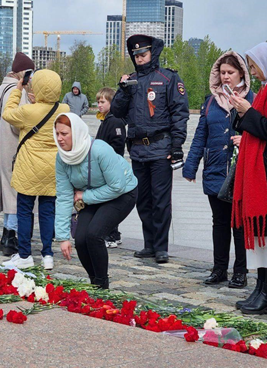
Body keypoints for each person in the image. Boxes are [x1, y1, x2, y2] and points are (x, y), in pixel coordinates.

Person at [111, 34, 189, 264]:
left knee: (161, 201)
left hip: (161, 147)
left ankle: (161, 246)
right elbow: (116, 113)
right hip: (137, 150)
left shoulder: (168, 78)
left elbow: (180, 113)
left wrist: (177, 146)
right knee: (142, 200)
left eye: (143, 54)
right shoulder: (131, 81)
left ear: (152, 53)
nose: (140, 58)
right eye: (136, 55)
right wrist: (123, 90)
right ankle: (149, 244)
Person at [183, 51, 253, 288]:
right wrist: (190, 166)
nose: (225, 77)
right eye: (222, 72)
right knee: (219, 222)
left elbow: (263, 131)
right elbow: (200, 135)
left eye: (230, 73)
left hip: (240, 171)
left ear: (241, 73)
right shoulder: (211, 101)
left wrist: (245, 139)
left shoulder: (252, 99)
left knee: (239, 224)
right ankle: (219, 269)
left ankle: (240, 272)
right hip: (214, 170)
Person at [230, 42, 267, 315]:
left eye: (253, 65)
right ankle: (262, 289)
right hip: (265, 172)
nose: (252, 71)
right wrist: (244, 112)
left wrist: (246, 112)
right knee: (265, 237)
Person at [54, 113, 137, 288]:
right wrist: (62, 237)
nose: (60, 139)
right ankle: (95, 283)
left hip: (122, 193)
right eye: (57, 134)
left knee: (94, 234)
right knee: (81, 239)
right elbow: (63, 197)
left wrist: (85, 196)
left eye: (64, 134)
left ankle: (101, 285)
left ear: (75, 133)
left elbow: (117, 186)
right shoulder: (61, 158)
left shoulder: (99, 149)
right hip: (92, 195)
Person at [2, 69, 70, 270]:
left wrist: (18, 89)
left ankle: (24, 255)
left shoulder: (29, 111)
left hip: (29, 168)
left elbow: (8, 113)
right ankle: (47, 254)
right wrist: (39, 102)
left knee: (24, 211)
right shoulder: (64, 109)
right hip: (52, 169)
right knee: (48, 211)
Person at [0, 52, 35, 256]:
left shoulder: (2, 88)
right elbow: (19, 121)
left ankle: (6, 236)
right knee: (18, 193)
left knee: (9, 192)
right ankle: (12, 237)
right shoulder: (16, 91)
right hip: (16, 147)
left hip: (4, 145)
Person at [95, 87, 127, 248]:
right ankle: (110, 233)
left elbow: (117, 145)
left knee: (110, 203)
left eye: (102, 102)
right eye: (98, 102)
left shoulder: (115, 121)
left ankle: (112, 234)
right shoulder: (106, 120)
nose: (99, 105)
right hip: (104, 167)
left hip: (111, 168)